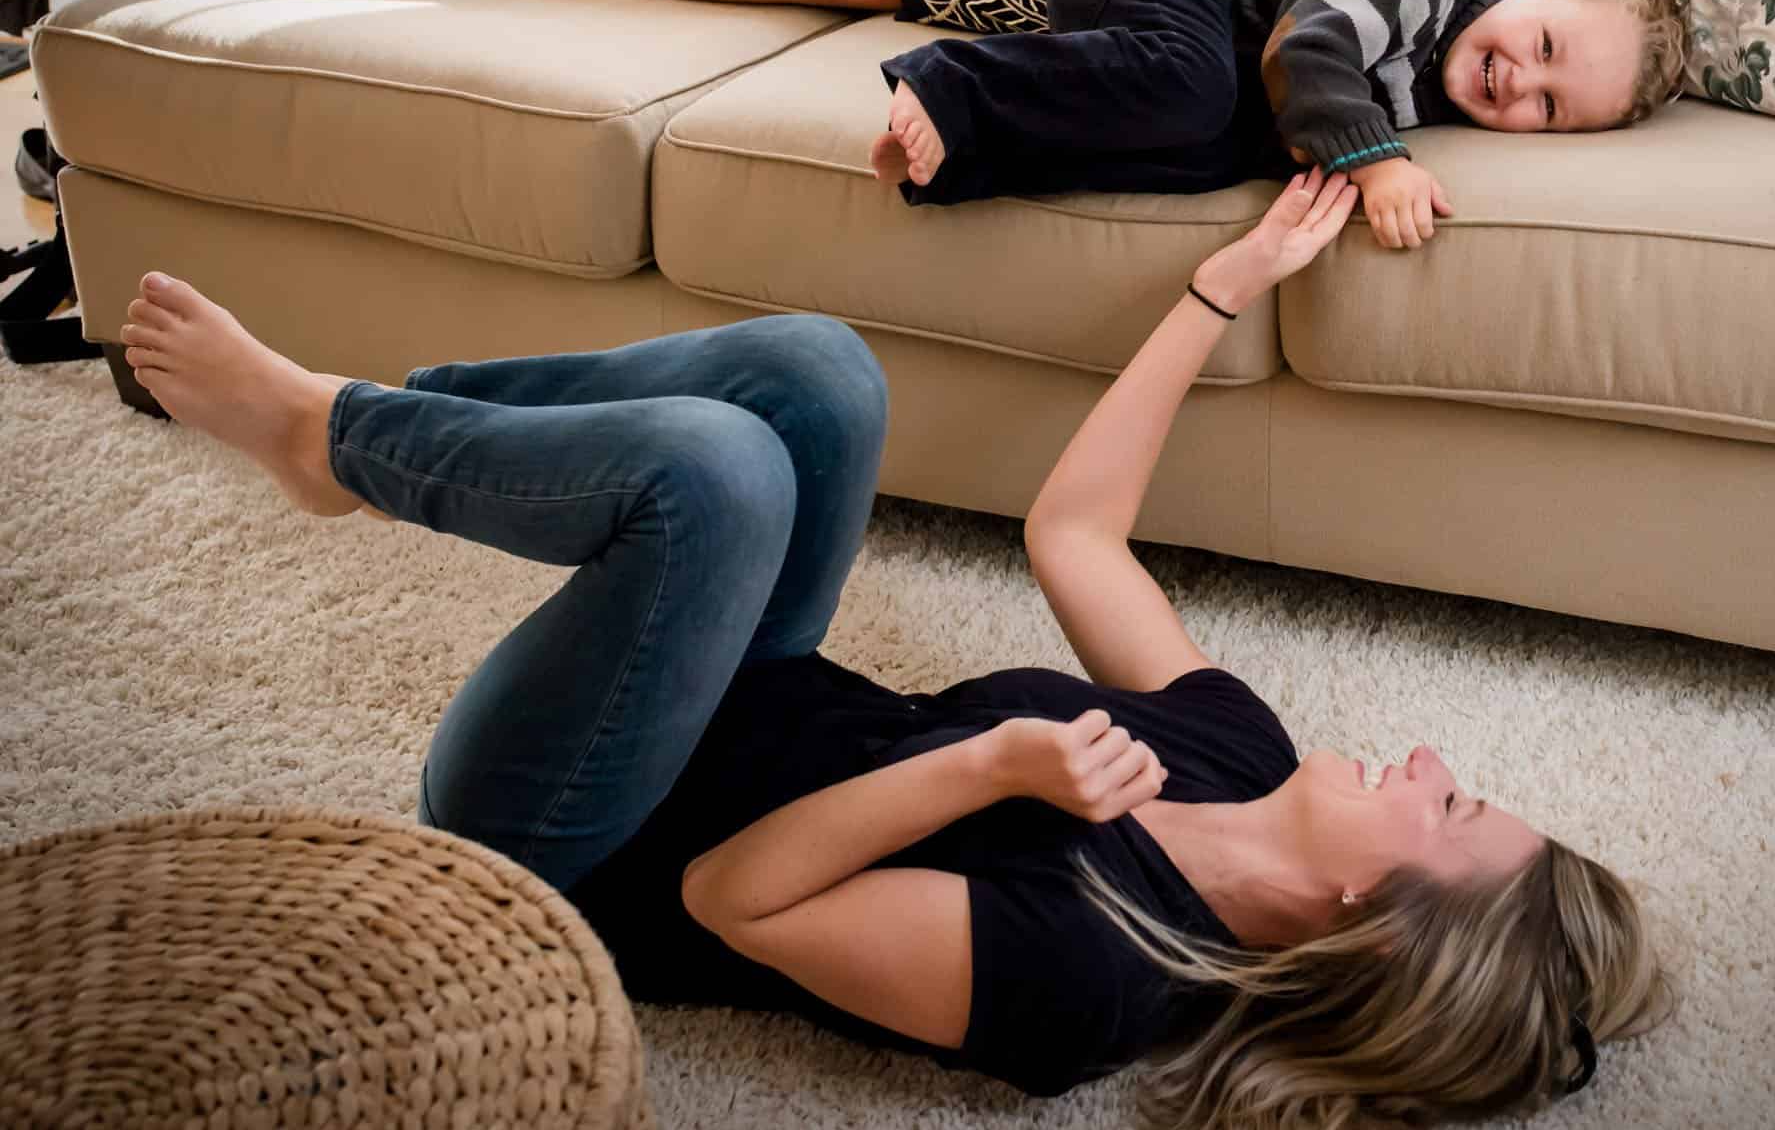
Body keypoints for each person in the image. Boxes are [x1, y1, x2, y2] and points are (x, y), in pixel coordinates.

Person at [116, 169, 1671, 1126]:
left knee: (716, 474)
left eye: (1450, 807)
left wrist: (992, 761)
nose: (1432, 761)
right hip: (742, 690)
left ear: (1378, 923)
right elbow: (1075, 534)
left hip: (579, 838)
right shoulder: (1239, 753)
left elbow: (736, 900)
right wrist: (1225, 285)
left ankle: (329, 432)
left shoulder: (1090, 985)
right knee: (820, 375)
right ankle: (373, 431)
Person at [870, 0, 1685, 251]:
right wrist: (1379, 164)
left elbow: (1287, 107)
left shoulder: (1439, 85)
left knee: (1215, 151)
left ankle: (955, 161)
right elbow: (1310, 43)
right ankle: (952, 82)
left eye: (1548, 106)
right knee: (1196, 90)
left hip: (1177, 58)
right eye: (1544, 46)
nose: (1519, 80)